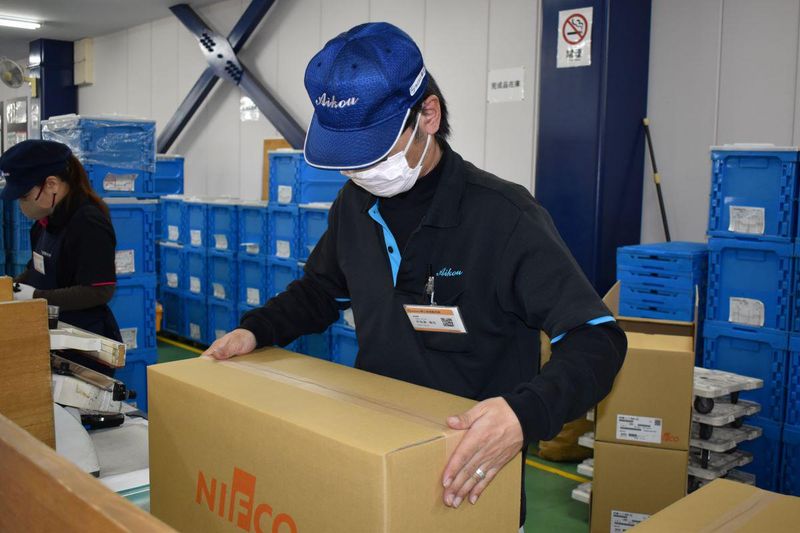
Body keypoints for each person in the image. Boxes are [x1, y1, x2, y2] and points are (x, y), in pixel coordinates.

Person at [204, 22, 627, 529]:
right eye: (349, 160)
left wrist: (523, 414)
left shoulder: (504, 217)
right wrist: (256, 330)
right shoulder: (354, 205)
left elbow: (597, 340)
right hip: (374, 454)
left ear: (428, 115)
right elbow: (321, 290)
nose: (362, 173)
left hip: (470, 479)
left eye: (376, 152)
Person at [0, 140, 121, 374]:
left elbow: (99, 290)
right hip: (51, 335)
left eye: (24, 195)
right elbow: (37, 269)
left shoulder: (88, 223)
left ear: (52, 184)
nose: (22, 204)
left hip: (82, 345)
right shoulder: (45, 222)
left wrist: (36, 296)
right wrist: (10, 287)